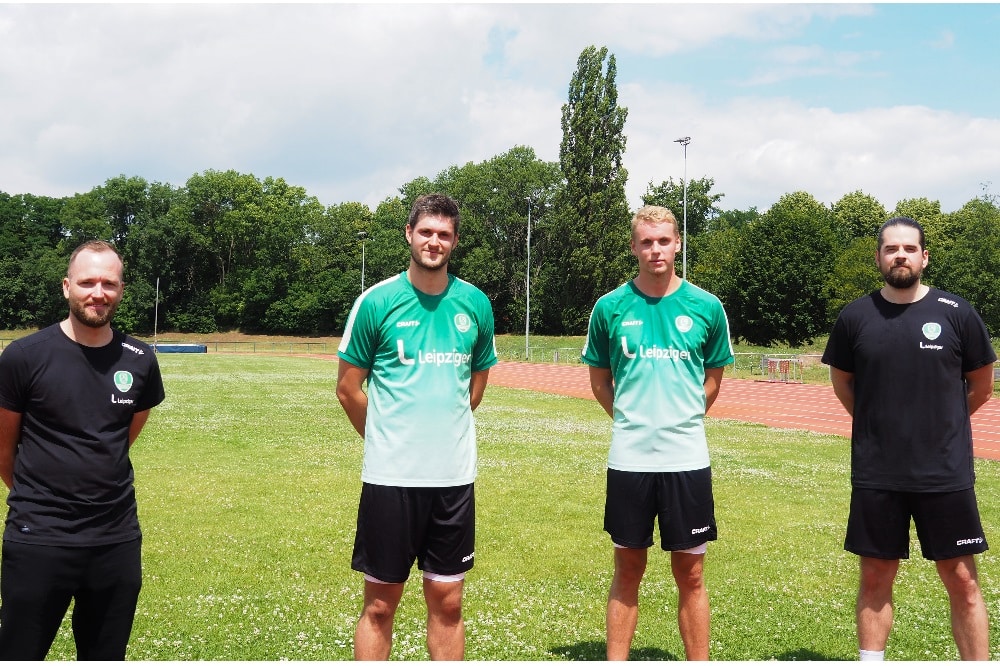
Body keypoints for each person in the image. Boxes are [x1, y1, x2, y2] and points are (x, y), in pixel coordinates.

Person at [822, 216, 994, 662]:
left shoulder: (957, 314)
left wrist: (942, 426)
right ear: (879, 257)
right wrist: (876, 423)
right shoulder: (855, 317)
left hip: (945, 472)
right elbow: (843, 382)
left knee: (961, 578)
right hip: (878, 472)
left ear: (924, 257)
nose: (900, 255)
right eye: (891, 248)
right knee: (876, 577)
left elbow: (981, 385)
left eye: (909, 248)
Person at [336, 193, 497, 660]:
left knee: (448, 601)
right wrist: (387, 439)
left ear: (455, 242)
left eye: (444, 234)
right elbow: (348, 389)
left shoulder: (475, 304)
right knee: (381, 605)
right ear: (409, 234)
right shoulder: (377, 302)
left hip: (453, 480)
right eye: (426, 231)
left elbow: (475, 386)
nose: (434, 241)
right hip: (391, 480)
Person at [0, 240, 165, 660]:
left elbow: (121, 437)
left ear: (121, 290)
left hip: (115, 540)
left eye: (108, 283)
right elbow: (4, 448)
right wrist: (40, 498)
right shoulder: (24, 356)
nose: (98, 292)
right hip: (38, 537)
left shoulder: (140, 359)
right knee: (19, 653)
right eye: (87, 281)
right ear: (66, 287)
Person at [582, 205, 734, 661]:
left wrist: (680, 418)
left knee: (691, 573)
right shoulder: (609, 307)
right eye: (646, 242)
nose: (655, 250)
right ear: (634, 247)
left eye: (663, 241)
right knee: (628, 568)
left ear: (677, 243)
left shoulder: (706, 307)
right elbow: (600, 382)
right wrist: (633, 419)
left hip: (686, 460)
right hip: (630, 460)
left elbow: (713, 381)